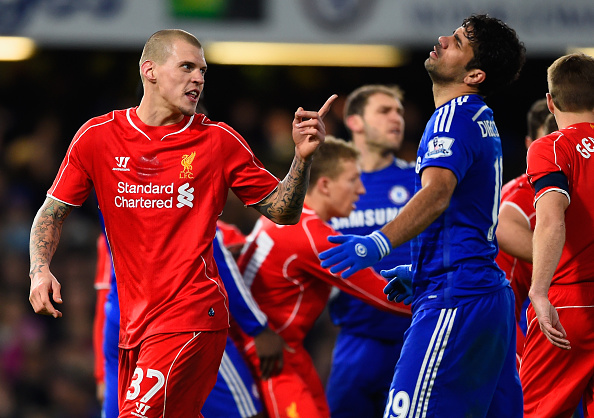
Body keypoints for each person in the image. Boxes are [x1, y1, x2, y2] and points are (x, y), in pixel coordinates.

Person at [28, 28, 336, 417]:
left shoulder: (218, 141)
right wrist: (39, 270)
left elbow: (283, 212)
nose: (198, 78)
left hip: (192, 315)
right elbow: (52, 212)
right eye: (187, 67)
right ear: (150, 71)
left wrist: (302, 160)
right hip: (134, 326)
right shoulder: (97, 137)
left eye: (202, 70)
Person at [320, 14, 526, 416]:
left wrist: (378, 243)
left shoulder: (452, 118)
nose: (443, 39)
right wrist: (422, 268)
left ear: (475, 75)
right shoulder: (480, 118)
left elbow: (437, 195)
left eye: (459, 42)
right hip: (485, 295)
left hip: (455, 298)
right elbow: (467, 211)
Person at [235, 137, 411, 418]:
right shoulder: (312, 236)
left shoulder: (281, 215)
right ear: (325, 185)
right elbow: (384, 295)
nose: (361, 189)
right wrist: (447, 303)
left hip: (276, 344)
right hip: (269, 352)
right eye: (353, 180)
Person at [93, 219, 282, 418]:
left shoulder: (114, 213)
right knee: (247, 413)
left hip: (123, 323)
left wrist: (101, 373)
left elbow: (105, 296)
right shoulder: (187, 212)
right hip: (180, 323)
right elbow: (222, 264)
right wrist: (257, 328)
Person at [325, 84, 416, 418]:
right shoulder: (328, 187)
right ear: (354, 121)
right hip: (356, 338)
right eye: (384, 111)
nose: (396, 119)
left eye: (399, 112)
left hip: (417, 335)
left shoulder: (422, 181)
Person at [522, 52, 594, 418]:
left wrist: (538, 290)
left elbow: (551, 220)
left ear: (551, 102)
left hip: (570, 303)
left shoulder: (550, 147)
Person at [495, 97, 557, 365]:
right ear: (531, 145)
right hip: (508, 319)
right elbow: (503, 228)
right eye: (549, 142)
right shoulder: (523, 194)